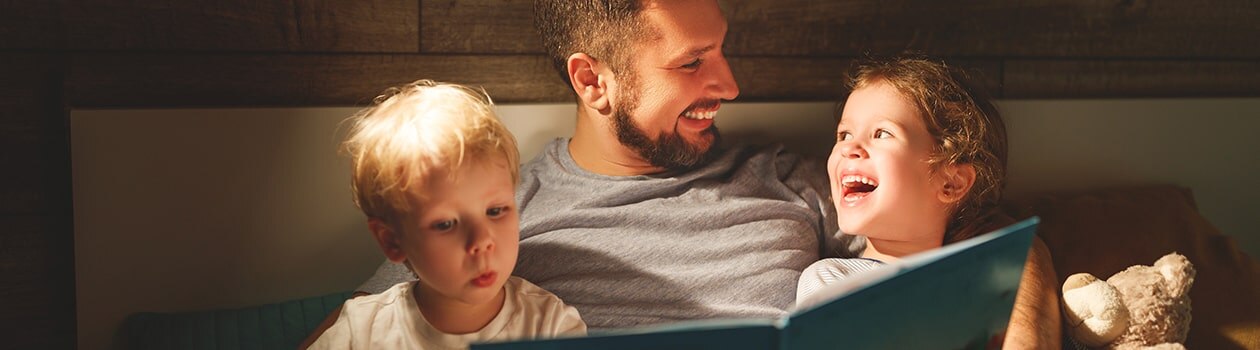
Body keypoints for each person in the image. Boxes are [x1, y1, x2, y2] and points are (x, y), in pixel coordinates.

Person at [305, 1, 1060, 348]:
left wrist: (1025, 339)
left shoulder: (789, 178)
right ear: (593, 82)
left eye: (721, 50)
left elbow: (994, 236)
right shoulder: (497, 213)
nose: (729, 85)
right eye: (692, 64)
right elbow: (371, 326)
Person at [795, 57, 1060, 348]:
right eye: (844, 134)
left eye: (882, 133)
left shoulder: (985, 288)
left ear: (951, 183)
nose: (849, 148)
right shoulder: (831, 281)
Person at [307, 80, 586, 349]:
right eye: (445, 224)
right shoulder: (362, 331)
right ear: (392, 242)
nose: (481, 240)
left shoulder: (550, 326)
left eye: (495, 211)